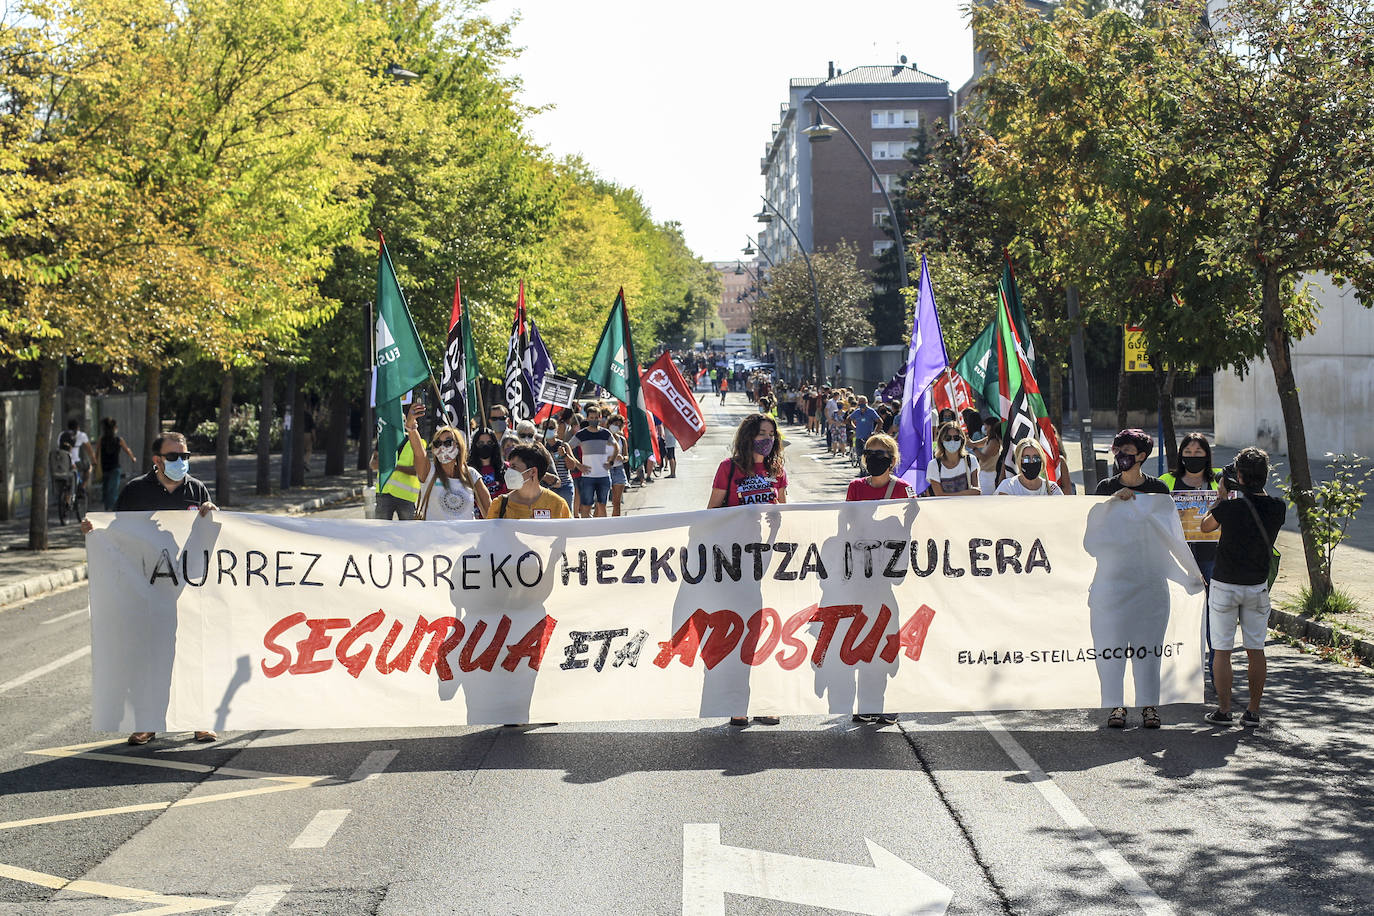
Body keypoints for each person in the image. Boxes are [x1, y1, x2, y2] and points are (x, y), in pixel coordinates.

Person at [82, 432, 218, 745]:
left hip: (186, 591)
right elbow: (116, 534)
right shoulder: (135, 491)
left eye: (185, 456)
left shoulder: (196, 490)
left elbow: (209, 539)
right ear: (157, 460)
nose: (181, 462)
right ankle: (147, 722)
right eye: (173, 457)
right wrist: (93, 532)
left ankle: (200, 721)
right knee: (148, 658)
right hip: (146, 591)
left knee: (192, 654)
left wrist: (212, 516)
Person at [708, 413, 787, 727]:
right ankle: (736, 703)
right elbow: (711, 513)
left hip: (767, 561)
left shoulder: (777, 470)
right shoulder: (729, 469)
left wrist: (777, 516)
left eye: (770, 434)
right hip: (734, 563)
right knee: (741, 631)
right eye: (760, 433)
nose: (766, 439)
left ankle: (766, 701)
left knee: (768, 631)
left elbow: (784, 510)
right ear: (747, 436)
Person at [1201, 447, 1286, 728]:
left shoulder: (1229, 507)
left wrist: (1220, 497)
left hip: (1225, 584)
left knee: (1223, 651)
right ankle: (1252, 711)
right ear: (1265, 475)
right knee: (1255, 649)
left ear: (1238, 475)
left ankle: (1224, 710)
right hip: (1257, 586)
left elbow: (1205, 527)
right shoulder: (1277, 507)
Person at [1094, 428, 1172, 728]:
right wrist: (1113, 502)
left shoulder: (1159, 491)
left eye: (1126, 452)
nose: (1120, 457)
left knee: (1148, 648)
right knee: (1114, 646)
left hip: (1150, 582)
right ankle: (1117, 706)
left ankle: (1149, 706)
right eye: (1117, 451)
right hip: (1112, 581)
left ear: (1141, 456)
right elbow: (1092, 533)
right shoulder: (1104, 487)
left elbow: (1168, 534)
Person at [409, 421, 490, 521]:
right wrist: (412, 428)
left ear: (459, 447)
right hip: (434, 535)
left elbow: (490, 513)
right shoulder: (429, 472)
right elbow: (419, 453)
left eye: (448, 443)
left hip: (465, 535)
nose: (442, 448)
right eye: (437, 443)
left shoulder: (471, 474)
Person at [485, 443, 572, 520]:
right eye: (509, 466)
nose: (509, 471)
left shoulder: (558, 505)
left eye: (514, 466)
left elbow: (569, 535)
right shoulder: (500, 505)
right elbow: (489, 536)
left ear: (532, 472)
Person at [371, 401, 426, 520]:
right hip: (384, 494)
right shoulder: (384, 441)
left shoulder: (417, 443)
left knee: (407, 534)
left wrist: (394, 467)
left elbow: (417, 471)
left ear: (405, 422)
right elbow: (373, 465)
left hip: (406, 496)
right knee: (381, 532)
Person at [569, 404, 619, 518]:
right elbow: (567, 447)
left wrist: (611, 462)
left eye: (596, 418)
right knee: (586, 507)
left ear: (600, 417)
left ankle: (603, 532)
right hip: (588, 476)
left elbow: (616, 447)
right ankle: (586, 532)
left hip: (603, 475)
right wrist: (578, 464)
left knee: (602, 506)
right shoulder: (581, 434)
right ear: (587, 418)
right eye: (591, 418)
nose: (594, 420)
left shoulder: (605, 433)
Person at [926, 421, 981, 496]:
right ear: (941, 440)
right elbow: (939, 495)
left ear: (962, 440)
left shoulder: (970, 460)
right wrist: (966, 493)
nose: (952, 441)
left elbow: (976, 491)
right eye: (948, 438)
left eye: (956, 438)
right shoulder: (934, 465)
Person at [995, 439, 1064, 495]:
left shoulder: (1051, 488)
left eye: (1036, 458)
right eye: (1026, 458)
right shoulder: (1008, 486)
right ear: (1019, 460)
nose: (1031, 462)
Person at [97, 417, 138, 511]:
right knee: (112, 489)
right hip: (115, 468)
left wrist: (94, 462)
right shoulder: (118, 440)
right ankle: (112, 509)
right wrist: (133, 458)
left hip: (105, 468)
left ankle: (109, 508)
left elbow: (97, 453)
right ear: (114, 428)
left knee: (107, 490)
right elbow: (127, 450)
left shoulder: (101, 439)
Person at [468, 427, 508, 502]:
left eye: (489, 443)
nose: (485, 446)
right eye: (480, 443)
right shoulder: (468, 471)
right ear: (475, 445)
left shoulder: (506, 468)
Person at [970, 417, 1002, 495]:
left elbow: (984, 458)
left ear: (990, 426)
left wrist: (973, 448)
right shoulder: (988, 439)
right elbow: (975, 444)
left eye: (985, 426)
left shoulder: (994, 442)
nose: (984, 428)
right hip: (982, 474)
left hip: (989, 476)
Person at [606, 414, 629, 516]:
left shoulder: (622, 439)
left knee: (617, 502)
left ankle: (616, 522)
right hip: (606, 469)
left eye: (619, 425)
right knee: (602, 502)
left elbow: (627, 456)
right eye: (615, 424)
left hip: (619, 470)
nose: (616, 427)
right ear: (610, 424)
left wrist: (623, 458)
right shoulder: (604, 438)